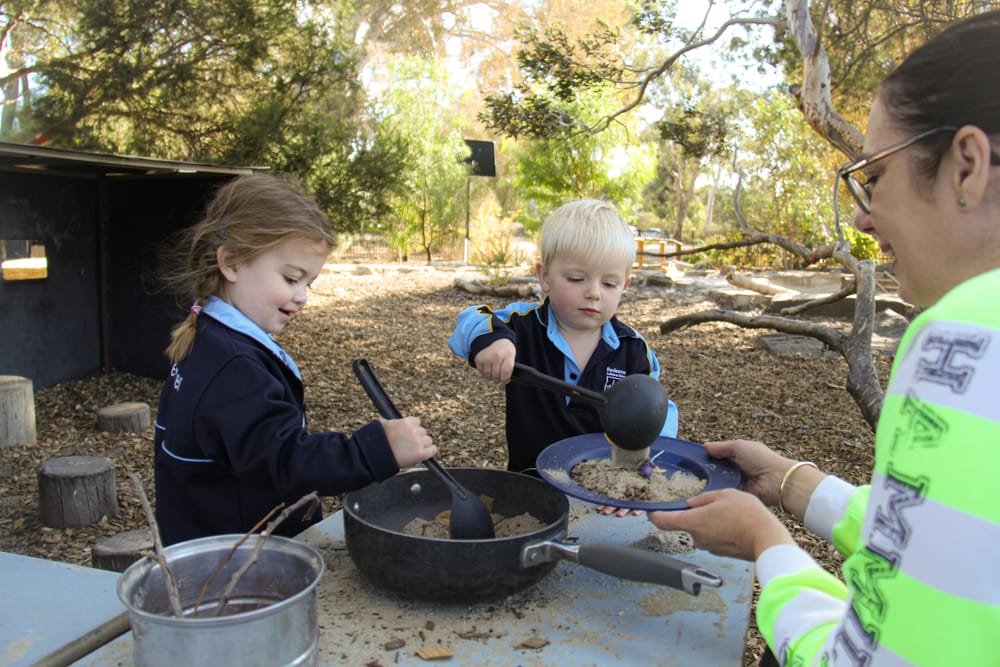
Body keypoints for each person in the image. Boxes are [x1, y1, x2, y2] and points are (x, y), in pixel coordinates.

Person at [649, 11, 1000, 666]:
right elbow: (953, 542)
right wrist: (793, 483)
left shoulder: (966, 338)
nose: (864, 216)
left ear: (967, 166)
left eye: (872, 177)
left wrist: (769, 548)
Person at [153, 173, 437, 546]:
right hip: (238, 567)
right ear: (232, 263)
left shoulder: (214, 339)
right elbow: (283, 461)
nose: (302, 296)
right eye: (291, 278)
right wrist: (375, 450)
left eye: (309, 283)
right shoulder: (233, 367)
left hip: (222, 545)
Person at [448, 199, 678, 475]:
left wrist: (656, 450)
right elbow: (471, 318)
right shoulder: (523, 326)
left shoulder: (633, 349)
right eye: (576, 279)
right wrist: (492, 341)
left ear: (625, 286)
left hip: (605, 490)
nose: (594, 292)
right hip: (532, 486)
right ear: (545, 277)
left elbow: (657, 407)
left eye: (609, 283)